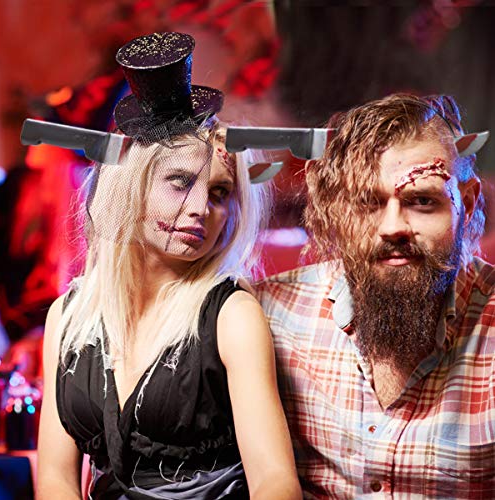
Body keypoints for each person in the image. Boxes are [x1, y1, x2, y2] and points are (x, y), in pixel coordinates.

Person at [37, 32, 301, 499]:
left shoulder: (231, 316)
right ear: (131, 187)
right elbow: (55, 477)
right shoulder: (68, 316)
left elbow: (275, 481)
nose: (201, 209)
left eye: (220, 192)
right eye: (180, 182)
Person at [255, 94, 494, 498]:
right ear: (333, 207)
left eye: (422, 201)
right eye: (367, 201)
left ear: (465, 205)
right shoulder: (269, 316)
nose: (393, 227)